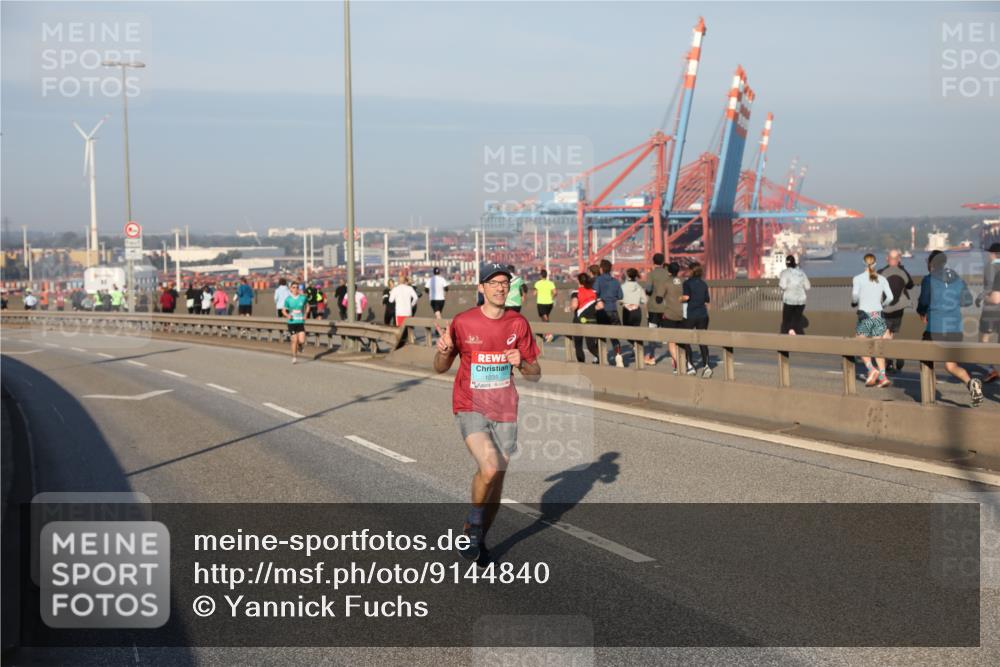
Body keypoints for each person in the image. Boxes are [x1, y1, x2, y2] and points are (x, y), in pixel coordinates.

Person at [433, 262, 541, 563]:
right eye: (493, 283)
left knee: (496, 479)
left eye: (505, 282)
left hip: (505, 407)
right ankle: (473, 527)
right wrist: (442, 351)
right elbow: (440, 367)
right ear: (481, 288)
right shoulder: (463, 322)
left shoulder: (518, 323)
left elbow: (535, 373)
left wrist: (522, 361)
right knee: (490, 467)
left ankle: (478, 536)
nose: (500, 287)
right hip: (470, 404)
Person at [916, 250, 982, 406]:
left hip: (936, 328)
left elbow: (924, 301)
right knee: (951, 366)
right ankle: (971, 383)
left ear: (931, 264)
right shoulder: (957, 279)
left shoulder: (928, 279)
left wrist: (921, 312)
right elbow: (967, 301)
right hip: (955, 329)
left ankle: (929, 397)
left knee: (925, 359)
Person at [851, 253, 894, 388]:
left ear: (863, 263)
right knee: (877, 346)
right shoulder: (882, 279)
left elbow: (854, 296)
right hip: (878, 315)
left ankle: (871, 369)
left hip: (865, 315)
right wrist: (882, 305)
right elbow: (890, 297)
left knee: (860, 343)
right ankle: (883, 376)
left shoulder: (858, 278)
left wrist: (855, 301)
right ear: (875, 264)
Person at [879, 249, 915, 372]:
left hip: (885, 308)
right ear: (899, 259)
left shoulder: (881, 272)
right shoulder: (903, 272)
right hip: (899, 309)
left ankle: (891, 358)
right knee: (890, 334)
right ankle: (891, 359)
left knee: (884, 336)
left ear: (887, 259)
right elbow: (910, 284)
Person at [680, 262, 713, 378]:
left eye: (688, 270)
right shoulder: (704, 284)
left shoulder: (687, 283)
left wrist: (677, 299)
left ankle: (690, 366)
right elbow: (707, 300)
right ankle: (706, 366)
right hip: (703, 315)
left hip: (690, 315)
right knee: (702, 341)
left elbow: (686, 297)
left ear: (692, 271)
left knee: (686, 340)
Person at [593, 259, 625, 367]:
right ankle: (619, 357)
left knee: (601, 335)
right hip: (613, 310)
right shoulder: (615, 281)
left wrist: (600, 300)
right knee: (614, 336)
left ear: (601, 269)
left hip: (602, 311)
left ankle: (602, 357)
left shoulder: (598, 280)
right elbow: (620, 296)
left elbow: (594, 294)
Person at [976, 242, 1000, 383]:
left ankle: (992, 369)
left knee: (984, 339)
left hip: (991, 310)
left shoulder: (990, 267)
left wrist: (981, 297)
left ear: (992, 254)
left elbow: (991, 290)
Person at [642, 253, 669, 366]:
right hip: (667, 307)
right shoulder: (668, 274)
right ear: (663, 262)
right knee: (669, 332)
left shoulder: (651, 274)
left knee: (652, 332)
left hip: (654, 307)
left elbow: (648, 289)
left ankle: (651, 357)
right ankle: (675, 356)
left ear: (654, 261)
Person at [571, 272, 600, 363]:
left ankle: (581, 363)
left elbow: (575, 305)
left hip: (579, 321)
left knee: (578, 344)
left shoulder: (576, 292)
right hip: (592, 320)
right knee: (591, 345)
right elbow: (600, 306)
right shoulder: (594, 292)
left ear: (579, 282)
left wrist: (570, 307)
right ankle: (601, 357)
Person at [778, 255, 810, 335]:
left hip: (789, 300)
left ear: (786, 264)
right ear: (794, 263)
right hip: (801, 302)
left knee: (786, 322)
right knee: (796, 322)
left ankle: (786, 342)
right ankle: (799, 341)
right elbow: (808, 287)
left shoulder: (785, 273)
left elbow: (783, 286)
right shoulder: (801, 273)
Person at [283, 282, 308, 364]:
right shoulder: (288, 299)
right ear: (290, 289)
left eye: (297, 287)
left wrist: (305, 314)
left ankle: (300, 346)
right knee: (294, 340)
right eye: (293, 287)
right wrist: (287, 315)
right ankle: (294, 357)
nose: (295, 289)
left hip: (300, 322)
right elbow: (283, 310)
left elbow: (308, 306)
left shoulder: (302, 298)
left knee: (301, 341)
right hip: (292, 322)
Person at [533, 269, 557, 343]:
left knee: (544, 318)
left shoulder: (537, 283)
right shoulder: (550, 283)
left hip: (541, 303)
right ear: (546, 275)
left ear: (540, 275)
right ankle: (546, 334)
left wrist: (537, 292)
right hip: (549, 303)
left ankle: (549, 334)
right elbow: (555, 292)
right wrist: (551, 297)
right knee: (546, 317)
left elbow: (534, 293)